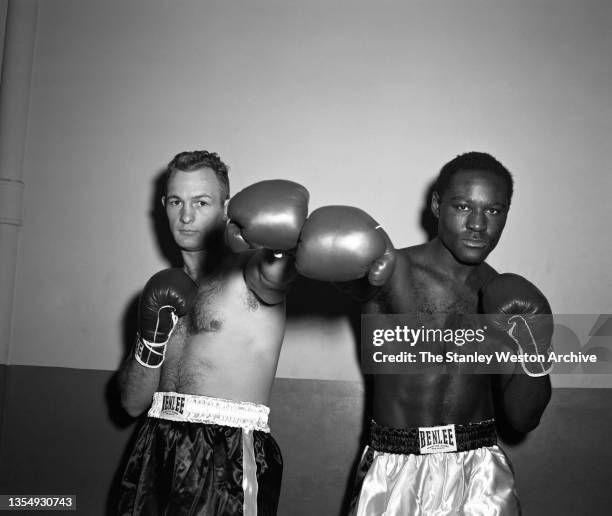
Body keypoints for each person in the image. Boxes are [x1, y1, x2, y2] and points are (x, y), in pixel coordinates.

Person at [295, 151, 552, 515]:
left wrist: (536, 340)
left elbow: (524, 418)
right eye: (463, 207)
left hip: (479, 472)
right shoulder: (392, 270)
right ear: (437, 205)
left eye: (494, 211)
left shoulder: (503, 295)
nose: (478, 224)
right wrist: (284, 251)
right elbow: (337, 272)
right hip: (396, 467)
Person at [116, 150, 309, 516]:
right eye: (176, 201)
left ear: (225, 207)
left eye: (201, 202)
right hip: (154, 445)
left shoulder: (249, 273)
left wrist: (285, 245)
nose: (186, 216)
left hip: (226, 458)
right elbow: (131, 403)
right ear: (164, 206)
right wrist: (150, 341)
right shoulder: (163, 290)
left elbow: (277, 272)